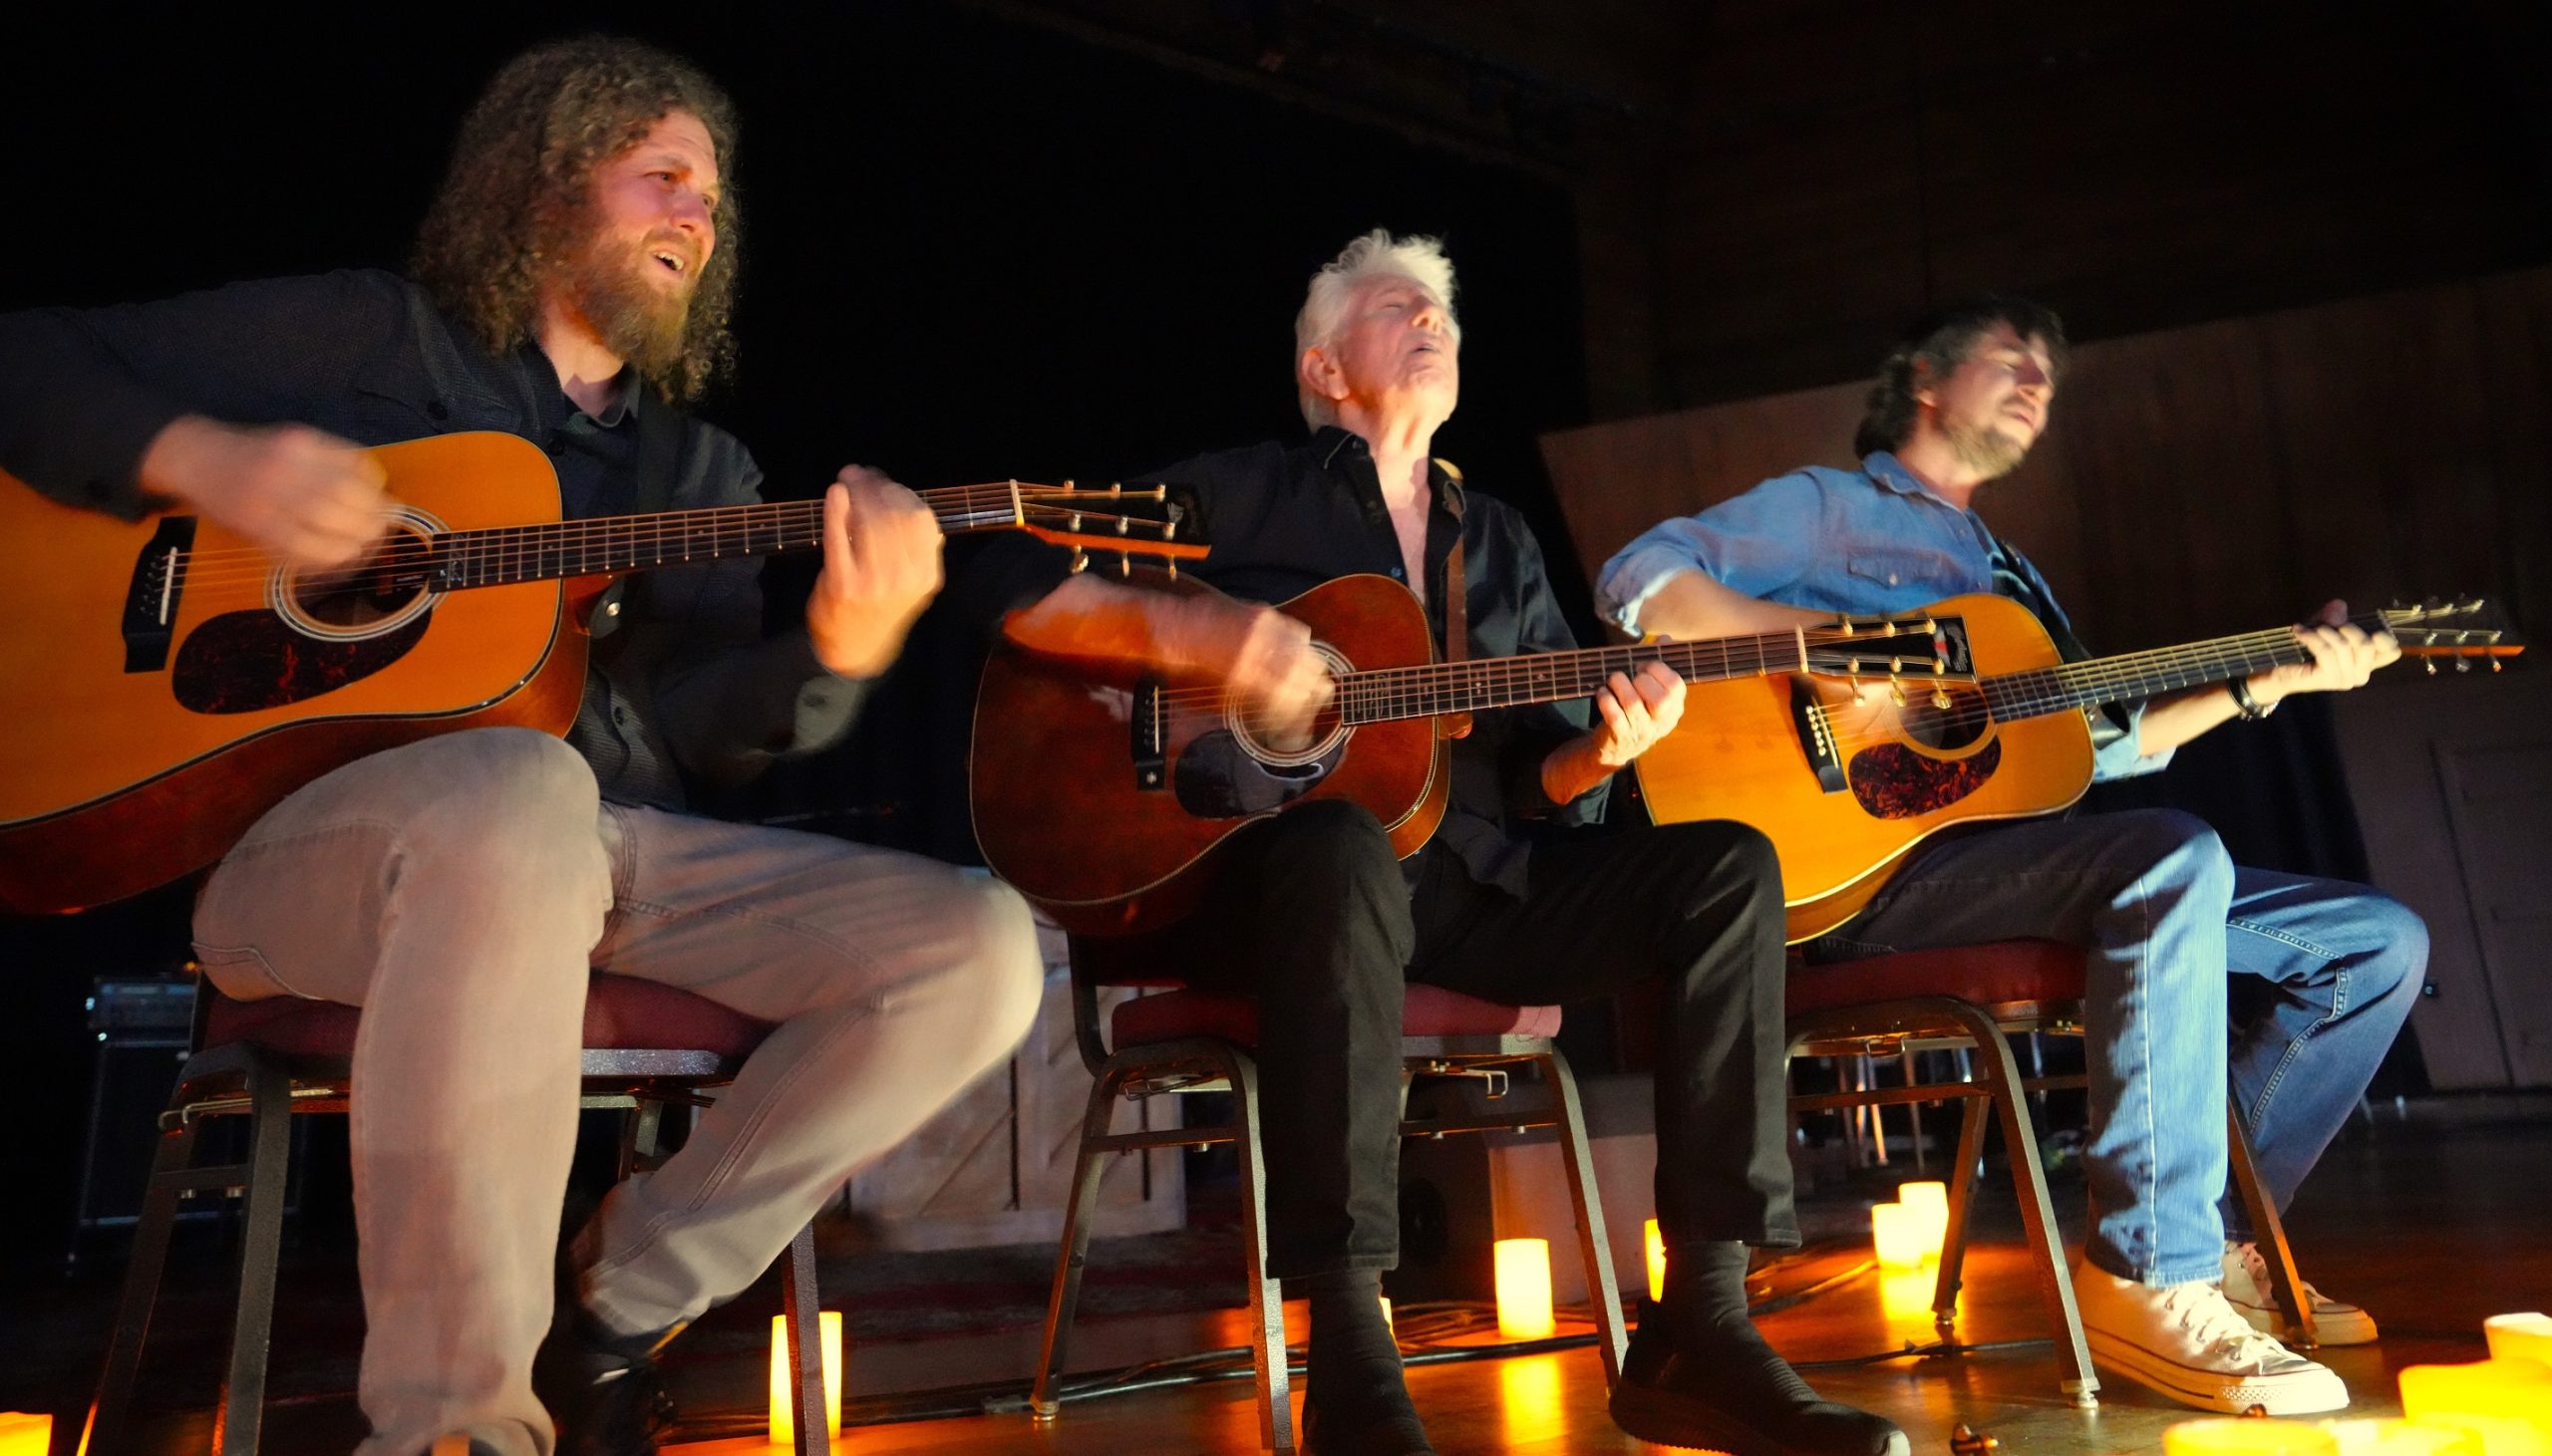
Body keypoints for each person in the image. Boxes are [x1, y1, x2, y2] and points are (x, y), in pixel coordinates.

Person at [0, 38, 1043, 1456]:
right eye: (660, 177)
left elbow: (696, 741)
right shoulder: (374, 343)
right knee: (518, 792)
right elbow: (30, 357)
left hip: (605, 851)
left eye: (714, 201)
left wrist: (838, 655)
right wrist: (205, 458)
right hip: (316, 859)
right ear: (546, 190)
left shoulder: (703, 479)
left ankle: (617, 1298)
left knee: (971, 948)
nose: (697, 216)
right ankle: (456, 1432)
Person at [977, 231, 1908, 1456]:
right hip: (1265, 888)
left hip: (1469, 885)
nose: (1432, 320)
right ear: (1323, 366)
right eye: (1394, 305)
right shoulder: (1250, 490)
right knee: (1342, 846)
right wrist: (1214, 647)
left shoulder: (1500, 539)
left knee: (1725, 868)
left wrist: (1604, 754)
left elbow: (1543, 782)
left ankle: (1704, 1327)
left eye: (1445, 312)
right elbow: (1019, 573)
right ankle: (1352, 1348)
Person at [1596, 294, 2425, 1415]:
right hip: (1870, 877)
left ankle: (2222, 1243)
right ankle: (2144, 1270)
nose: (2039, 381)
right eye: (2010, 358)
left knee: (2374, 944)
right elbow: (1639, 579)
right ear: (1925, 381)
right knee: (2166, 859)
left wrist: (2266, 680)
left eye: (2049, 370)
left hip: (2024, 867)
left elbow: (2093, 755)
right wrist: (1818, 653)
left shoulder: (2008, 581)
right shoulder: (1835, 508)